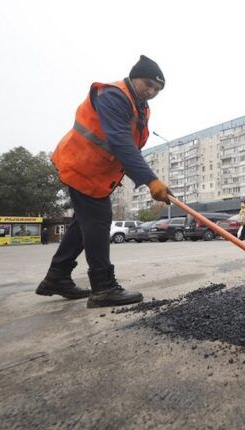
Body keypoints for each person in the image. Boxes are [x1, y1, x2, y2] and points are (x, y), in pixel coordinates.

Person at [36, 55, 172, 308]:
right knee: (98, 221)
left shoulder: (139, 105)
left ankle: (57, 277)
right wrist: (150, 180)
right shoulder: (114, 96)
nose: (151, 91)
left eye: (157, 89)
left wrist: (151, 178)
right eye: (148, 84)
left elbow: (131, 146)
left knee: (82, 224)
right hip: (81, 165)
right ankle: (103, 288)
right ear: (133, 77)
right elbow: (119, 141)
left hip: (95, 172)